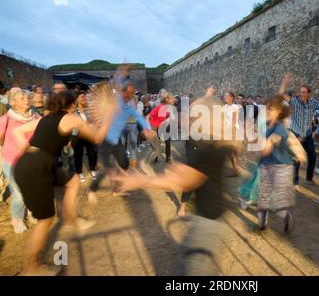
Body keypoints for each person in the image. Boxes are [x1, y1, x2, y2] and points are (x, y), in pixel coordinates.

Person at [113, 94, 232, 275]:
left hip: (208, 222)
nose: (190, 116)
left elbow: (186, 180)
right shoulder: (215, 143)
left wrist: (139, 180)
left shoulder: (209, 150)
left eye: (194, 114)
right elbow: (198, 174)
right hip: (208, 216)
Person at [13, 88, 117, 275]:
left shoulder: (45, 118)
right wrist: (109, 115)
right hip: (37, 167)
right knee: (45, 219)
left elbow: (20, 132)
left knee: (73, 181)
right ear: (71, 105)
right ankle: (31, 268)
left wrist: (27, 153)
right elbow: (97, 137)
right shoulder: (70, 118)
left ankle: (70, 219)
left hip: (32, 163)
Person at [89, 82, 154, 199]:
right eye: (128, 93)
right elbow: (97, 118)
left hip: (116, 140)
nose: (129, 96)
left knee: (124, 163)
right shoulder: (103, 104)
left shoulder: (123, 104)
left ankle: (117, 189)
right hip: (104, 141)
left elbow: (137, 116)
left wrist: (147, 128)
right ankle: (92, 189)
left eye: (131, 94)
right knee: (107, 169)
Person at [0, 88, 40, 233]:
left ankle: (30, 212)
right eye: (21, 98)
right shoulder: (6, 119)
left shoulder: (35, 116)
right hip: (11, 161)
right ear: (12, 103)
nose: (26, 100)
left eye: (26, 97)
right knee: (19, 193)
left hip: (31, 160)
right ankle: (16, 219)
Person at [257, 95, 295, 233]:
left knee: (280, 198)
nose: (267, 111)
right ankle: (262, 221)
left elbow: (270, 143)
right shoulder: (265, 126)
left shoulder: (280, 128)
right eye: (266, 108)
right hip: (266, 165)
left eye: (270, 109)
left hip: (282, 166)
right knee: (263, 195)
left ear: (279, 111)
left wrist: (265, 146)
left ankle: (286, 215)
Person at [279, 73, 319, 187]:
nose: (302, 94)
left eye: (304, 92)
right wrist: (285, 81)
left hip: (307, 134)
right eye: (301, 92)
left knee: (312, 157)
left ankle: (308, 178)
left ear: (309, 93)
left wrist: (317, 127)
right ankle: (295, 182)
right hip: (296, 134)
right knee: (296, 158)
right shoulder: (294, 101)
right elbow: (281, 94)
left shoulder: (314, 103)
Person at [73, 92, 98, 185]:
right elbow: (73, 126)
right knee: (78, 155)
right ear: (77, 100)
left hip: (90, 135)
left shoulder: (89, 111)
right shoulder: (74, 112)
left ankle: (92, 169)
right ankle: (79, 172)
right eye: (82, 97)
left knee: (93, 153)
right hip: (79, 137)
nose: (84, 99)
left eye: (85, 97)